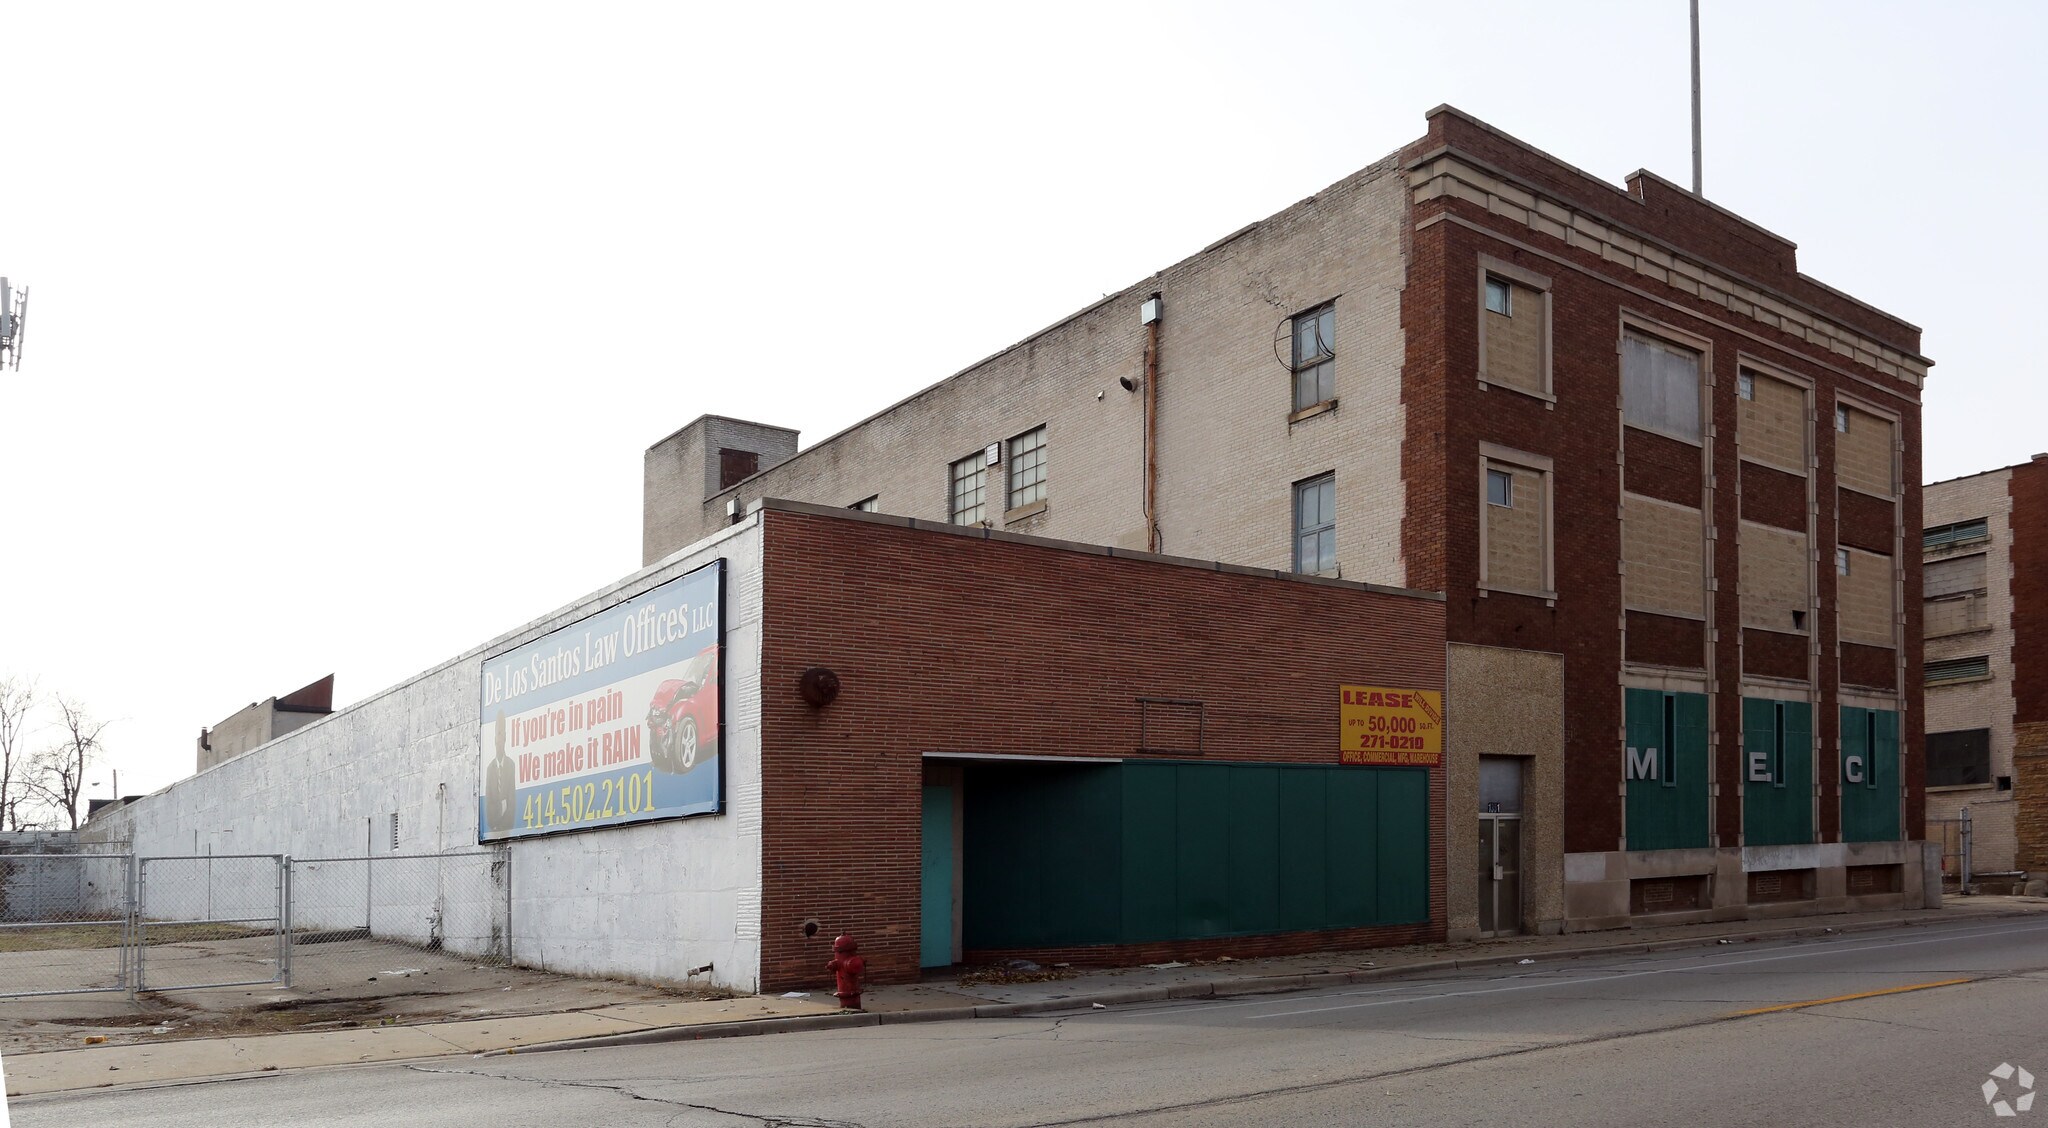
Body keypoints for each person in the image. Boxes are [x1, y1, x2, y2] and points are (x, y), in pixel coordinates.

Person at [484, 710, 517, 835]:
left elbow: (511, 803)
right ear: (494, 739)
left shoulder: (510, 765)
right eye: (498, 734)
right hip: (493, 829)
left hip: (506, 829)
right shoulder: (489, 769)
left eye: (502, 734)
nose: (500, 739)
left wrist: (503, 824)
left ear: (505, 738)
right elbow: (489, 806)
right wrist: (501, 806)